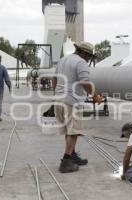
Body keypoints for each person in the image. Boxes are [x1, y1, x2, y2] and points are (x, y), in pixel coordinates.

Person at [52, 41, 102, 173]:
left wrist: (56, 93)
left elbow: (54, 78)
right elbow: (85, 82)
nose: (89, 59)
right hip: (72, 102)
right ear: (85, 53)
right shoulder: (81, 62)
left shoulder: (63, 60)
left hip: (59, 100)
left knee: (69, 131)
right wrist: (94, 95)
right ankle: (66, 161)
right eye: (89, 56)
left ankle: (72, 154)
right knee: (74, 131)